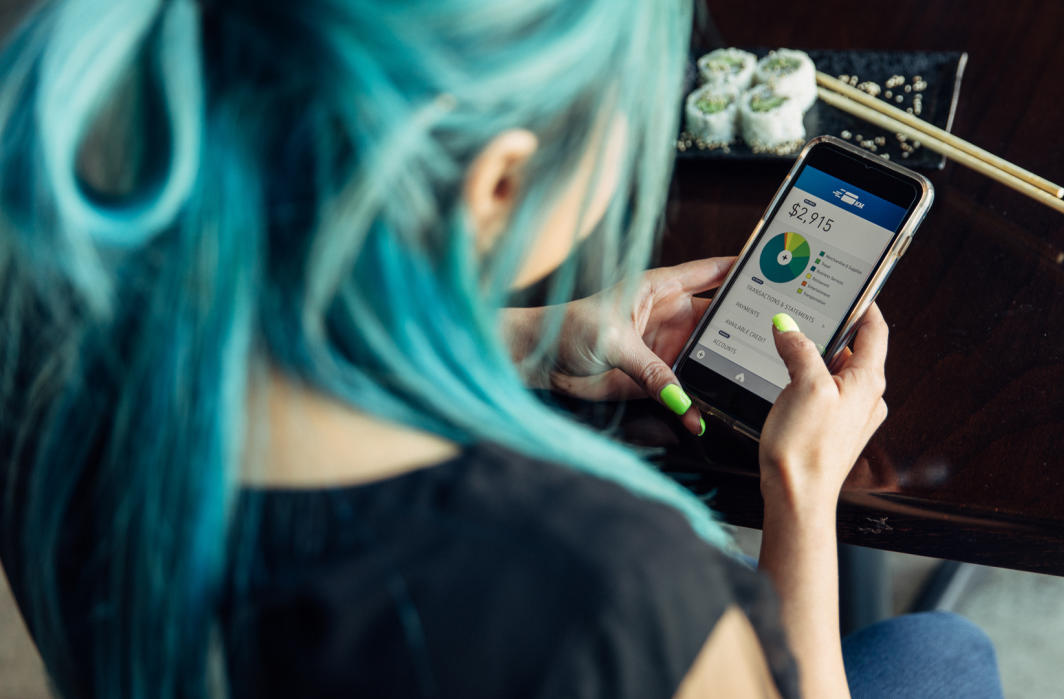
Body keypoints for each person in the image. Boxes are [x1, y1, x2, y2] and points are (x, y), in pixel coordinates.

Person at [0, 0, 1004, 697]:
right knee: (944, 655)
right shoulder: (607, 584)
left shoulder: (48, 364)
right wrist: (799, 490)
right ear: (498, 184)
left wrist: (518, 337)